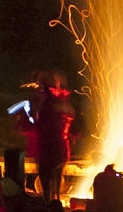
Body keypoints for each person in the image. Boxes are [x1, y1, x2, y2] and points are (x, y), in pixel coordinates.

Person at [13, 70, 76, 201]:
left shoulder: (47, 105)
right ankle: (57, 211)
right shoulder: (63, 102)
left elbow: (42, 129)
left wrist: (23, 124)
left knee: (47, 190)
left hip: (47, 151)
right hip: (62, 150)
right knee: (56, 189)